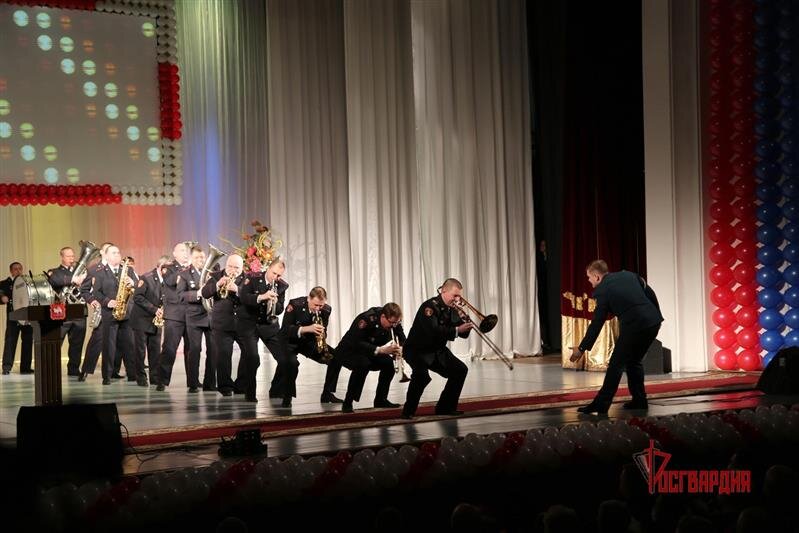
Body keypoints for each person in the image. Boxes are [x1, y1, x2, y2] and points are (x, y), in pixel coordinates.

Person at [570, 259, 663, 414]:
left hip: (635, 325)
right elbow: (650, 294)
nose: (589, 281)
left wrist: (581, 348)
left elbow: (597, 323)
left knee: (616, 365)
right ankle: (639, 401)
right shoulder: (629, 275)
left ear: (597, 277)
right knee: (633, 361)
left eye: (589, 277)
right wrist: (656, 315)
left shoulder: (602, 291)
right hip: (653, 322)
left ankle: (601, 404)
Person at [401, 278, 473, 419]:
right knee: (421, 376)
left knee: (460, 370)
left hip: (436, 350)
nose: (457, 299)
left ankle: (445, 408)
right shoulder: (429, 307)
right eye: (455, 295)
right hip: (417, 350)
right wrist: (457, 329)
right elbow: (433, 331)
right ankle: (408, 411)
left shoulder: (452, 309)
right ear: (444, 291)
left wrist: (465, 321)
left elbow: (463, 334)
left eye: (459, 296)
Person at [278, 287, 343, 407]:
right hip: (289, 341)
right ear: (309, 298)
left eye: (321, 305)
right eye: (315, 305)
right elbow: (285, 330)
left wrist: (322, 334)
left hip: (308, 342)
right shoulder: (295, 305)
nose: (318, 308)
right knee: (292, 364)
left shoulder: (326, 310)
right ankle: (287, 396)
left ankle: (327, 394)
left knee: (336, 358)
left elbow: (324, 330)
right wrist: (307, 329)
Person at [336, 303, 404, 413]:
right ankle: (348, 402)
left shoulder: (394, 321)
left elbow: (402, 337)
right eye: (391, 323)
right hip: (349, 351)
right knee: (363, 364)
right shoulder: (366, 319)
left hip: (370, 351)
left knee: (388, 364)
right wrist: (381, 350)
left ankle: (381, 400)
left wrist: (400, 348)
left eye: (396, 323)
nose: (393, 326)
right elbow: (357, 342)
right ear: (383, 317)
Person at [236, 259, 289, 402]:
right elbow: (243, 297)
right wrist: (262, 297)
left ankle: (276, 390)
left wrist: (276, 303)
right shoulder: (252, 278)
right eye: (274, 273)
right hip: (249, 324)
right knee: (253, 358)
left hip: (268, 325)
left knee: (285, 358)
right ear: (268, 269)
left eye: (279, 275)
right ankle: (250, 393)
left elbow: (279, 310)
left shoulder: (282, 286)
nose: (275, 277)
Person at [201, 254, 245, 397]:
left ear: (242, 268)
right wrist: (217, 285)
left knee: (249, 354)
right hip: (222, 323)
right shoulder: (215, 276)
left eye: (236, 268)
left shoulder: (248, 279)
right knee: (223, 356)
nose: (233, 270)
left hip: (242, 323)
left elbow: (252, 297)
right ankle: (225, 387)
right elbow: (204, 293)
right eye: (230, 266)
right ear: (226, 265)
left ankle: (241, 385)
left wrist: (237, 290)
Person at [91, 245, 136, 385]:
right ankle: (107, 376)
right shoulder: (100, 273)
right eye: (114, 253)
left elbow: (139, 287)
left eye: (118, 252)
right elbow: (96, 293)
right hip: (110, 313)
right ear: (106, 256)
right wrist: (107, 302)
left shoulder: (128, 270)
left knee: (129, 345)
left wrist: (133, 282)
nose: (117, 255)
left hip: (126, 312)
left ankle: (132, 374)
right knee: (109, 347)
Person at [177, 247, 216, 393]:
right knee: (195, 349)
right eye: (197, 257)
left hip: (210, 316)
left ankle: (210, 383)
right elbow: (180, 295)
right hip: (194, 317)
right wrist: (198, 293)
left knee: (213, 350)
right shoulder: (184, 275)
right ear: (191, 259)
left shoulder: (212, 274)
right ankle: (193, 383)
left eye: (202, 257)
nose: (200, 260)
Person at [153, 242, 192, 390]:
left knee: (192, 350)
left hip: (191, 314)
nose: (185, 253)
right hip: (174, 316)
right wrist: (186, 269)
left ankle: (193, 381)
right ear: (174, 253)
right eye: (182, 250)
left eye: (187, 250)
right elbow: (171, 281)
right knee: (169, 349)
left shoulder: (192, 268)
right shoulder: (168, 268)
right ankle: (162, 381)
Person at [46, 247, 89, 377]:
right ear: (62, 257)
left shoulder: (82, 272)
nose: (72, 258)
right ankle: (50, 368)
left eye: (72, 256)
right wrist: (74, 279)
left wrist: (86, 279)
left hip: (79, 311)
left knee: (77, 343)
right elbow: (55, 281)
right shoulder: (54, 272)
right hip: (62, 312)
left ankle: (74, 369)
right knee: (56, 342)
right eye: (68, 256)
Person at [131, 255, 169, 386]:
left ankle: (154, 377)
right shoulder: (146, 278)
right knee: (140, 351)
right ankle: (140, 377)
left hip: (156, 321)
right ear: (161, 267)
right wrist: (154, 309)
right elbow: (137, 297)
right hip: (141, 320)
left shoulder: (167, 280)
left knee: (155, 351)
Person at [78, 242, 114, 381]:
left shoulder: (119, 268)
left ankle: (114, 371)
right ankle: (86, 369)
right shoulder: (93, 269)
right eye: (108, 250)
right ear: (103, 253)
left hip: (118, 309)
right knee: (97, 340)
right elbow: (84, 290)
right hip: (103, 309)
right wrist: (92, 300)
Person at [1, 262, 33, 375]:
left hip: (26, 315)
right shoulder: (5, 283)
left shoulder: (27, 282)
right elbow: (0, 294)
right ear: (11, 271)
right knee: (10, 341)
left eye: (20, 268)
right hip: (13, 317)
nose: (18, 271)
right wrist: (2, 297)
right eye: (15, 269)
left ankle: (25, 367)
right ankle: (6, 367)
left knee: (28, 341)